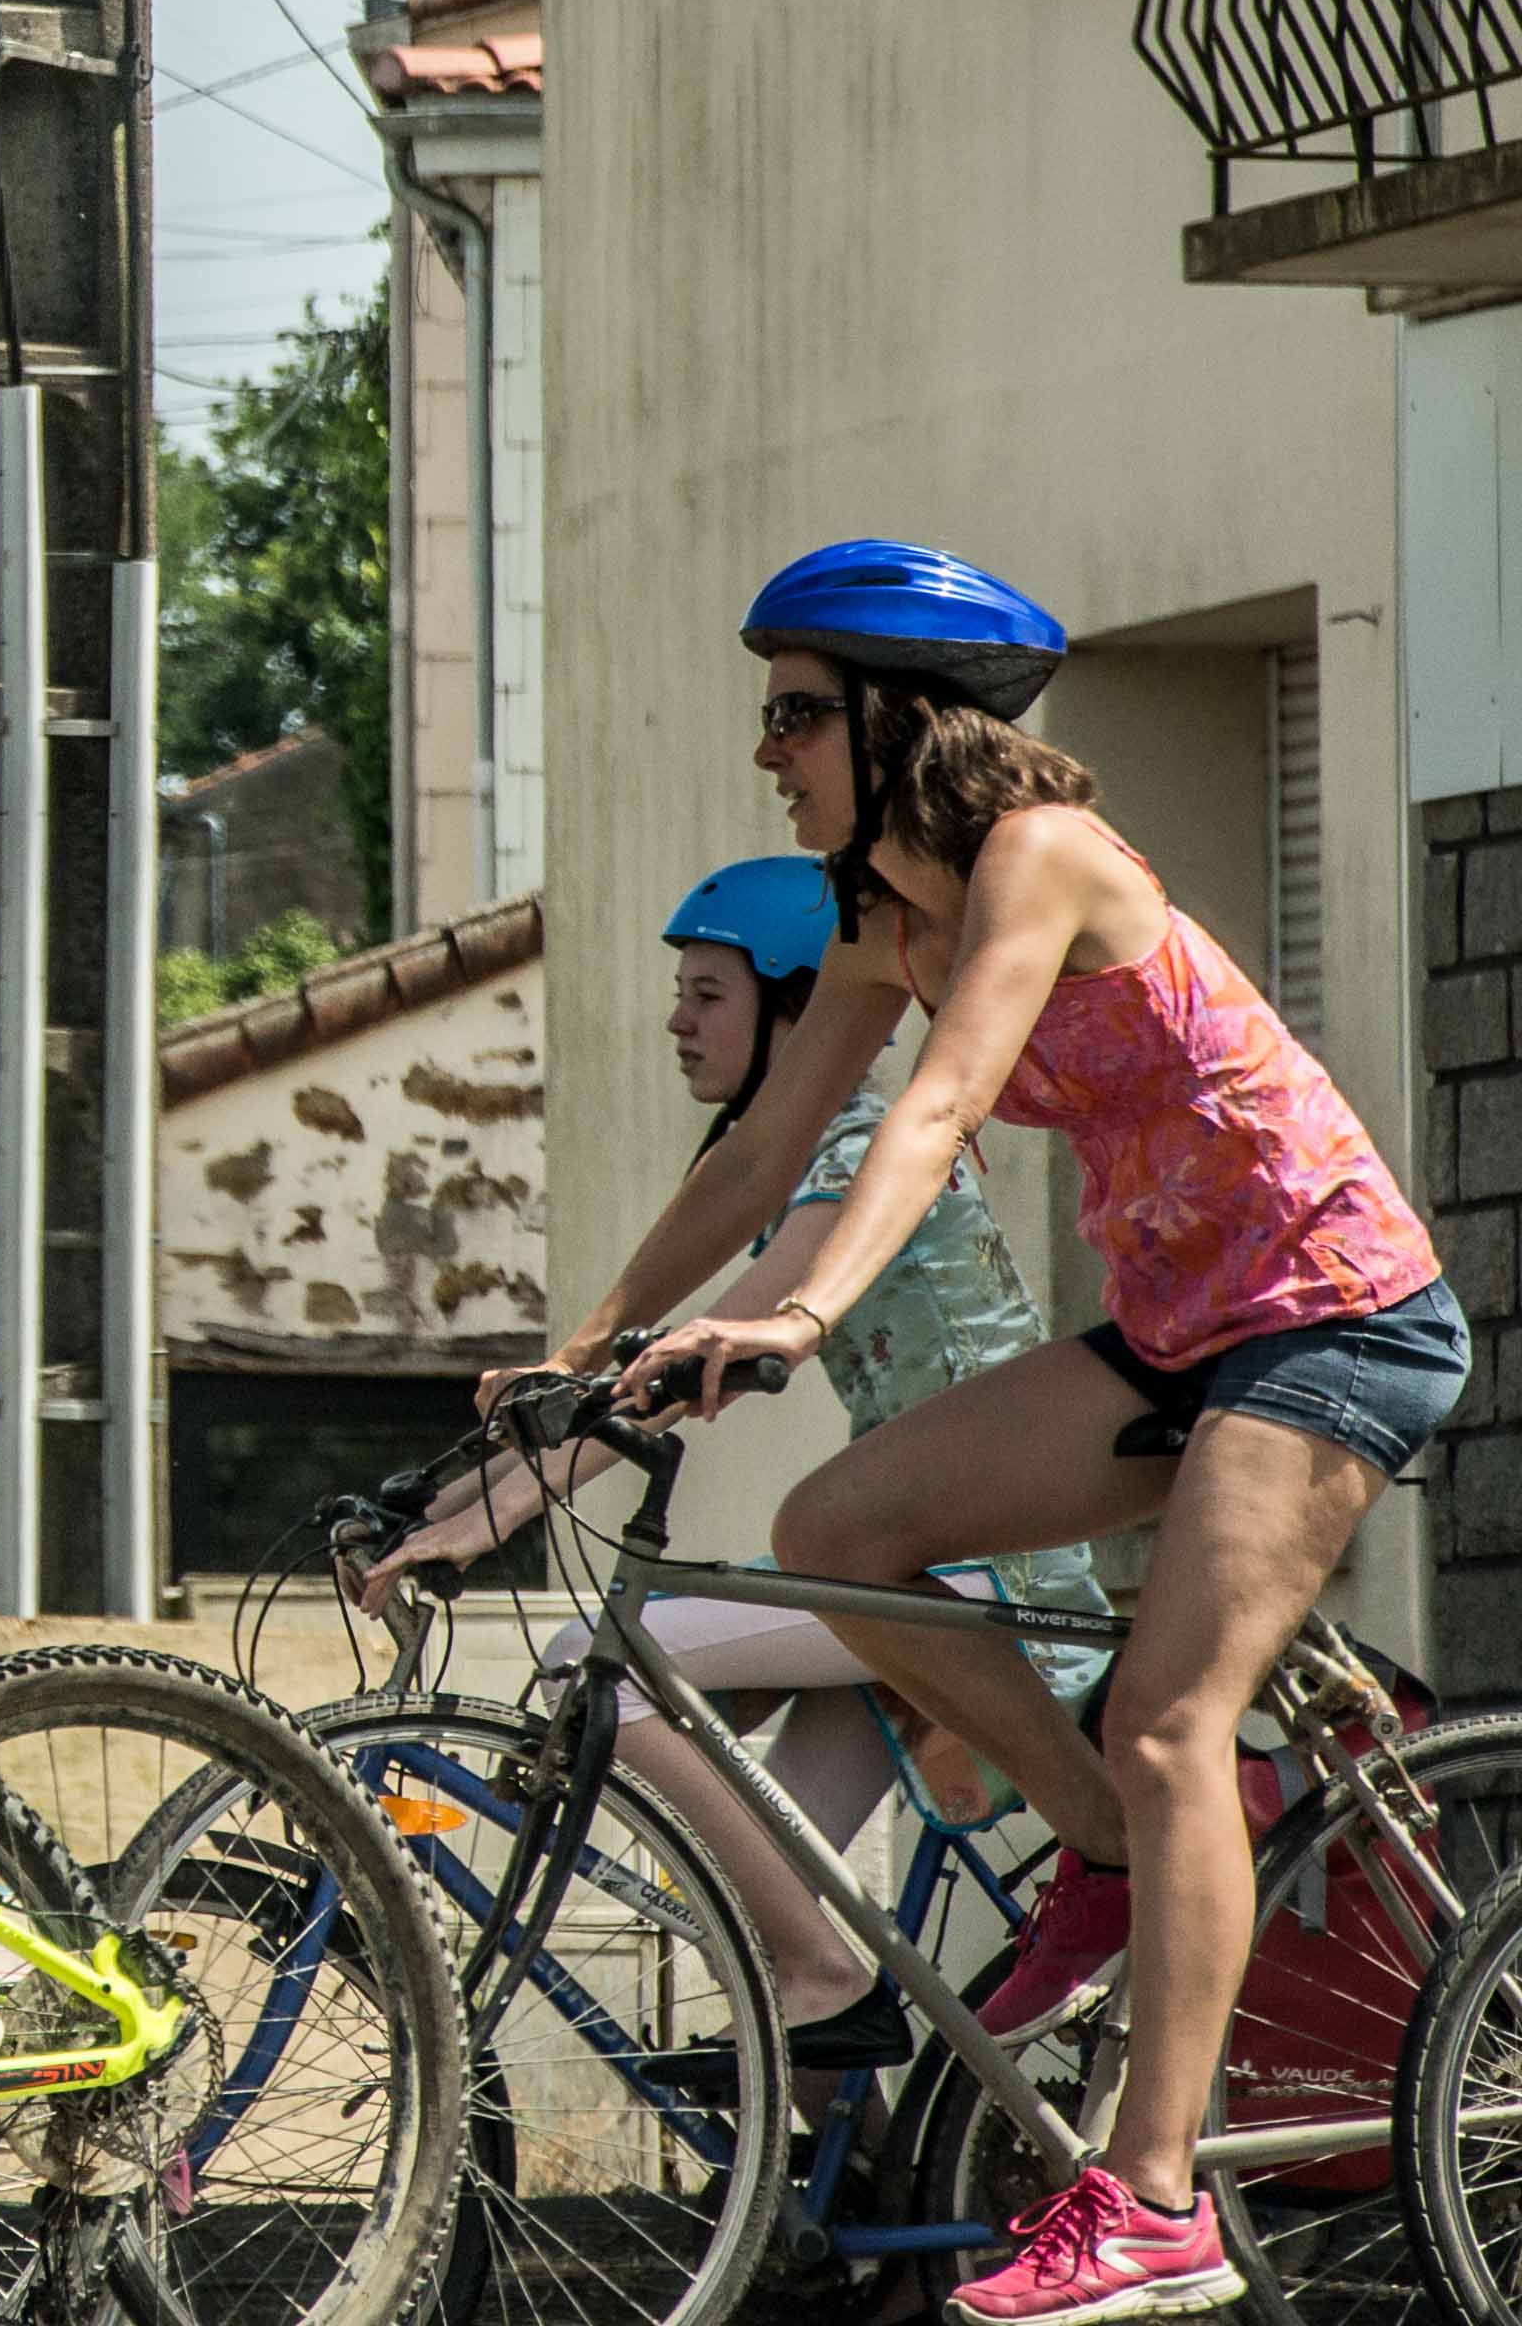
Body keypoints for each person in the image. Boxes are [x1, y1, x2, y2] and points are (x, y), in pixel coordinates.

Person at [574, 542, 1467, 2326]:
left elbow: (943, 1103)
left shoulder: (1039, 860)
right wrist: (584, 1350)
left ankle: (1155, 2208)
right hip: (1178, 1337)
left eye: (797, 712)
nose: (769, 748)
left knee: (1171, 1717)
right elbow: (764, 1153)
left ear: (905, 717)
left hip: (1333, 1320)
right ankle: (1111, 1855)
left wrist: (800, 1315)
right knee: (842, 1528)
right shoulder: (874, 909)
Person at [350, 853, 1112, 2089]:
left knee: (593, 1671)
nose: (677, 1018)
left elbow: (696, 1359)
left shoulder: (863, 1146)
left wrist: (485, 1521)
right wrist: (430, 1502)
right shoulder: (806, 1150)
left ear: (800, 1005)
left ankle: (833, 1991)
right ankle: (839, 2220)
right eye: (680, 993)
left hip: (976, 1571)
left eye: (708, 992)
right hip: (911, 1566)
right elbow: (617, 1372)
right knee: (771, 1911)